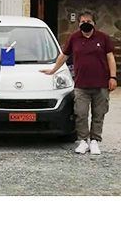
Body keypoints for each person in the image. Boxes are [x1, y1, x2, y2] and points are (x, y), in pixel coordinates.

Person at [41, 11, 116, 155]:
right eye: (82, 22)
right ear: (79, 24)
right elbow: (64, 55)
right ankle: (83, 141)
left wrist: (113, 77)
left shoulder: (103, 38)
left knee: (99, 114)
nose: (86, 24)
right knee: (81, 113)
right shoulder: (74, 38)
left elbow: (110, 58)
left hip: (101, 84)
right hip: (81, 85)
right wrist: (53, 70)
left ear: (94, 23)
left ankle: (95, 141)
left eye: (89, 21)